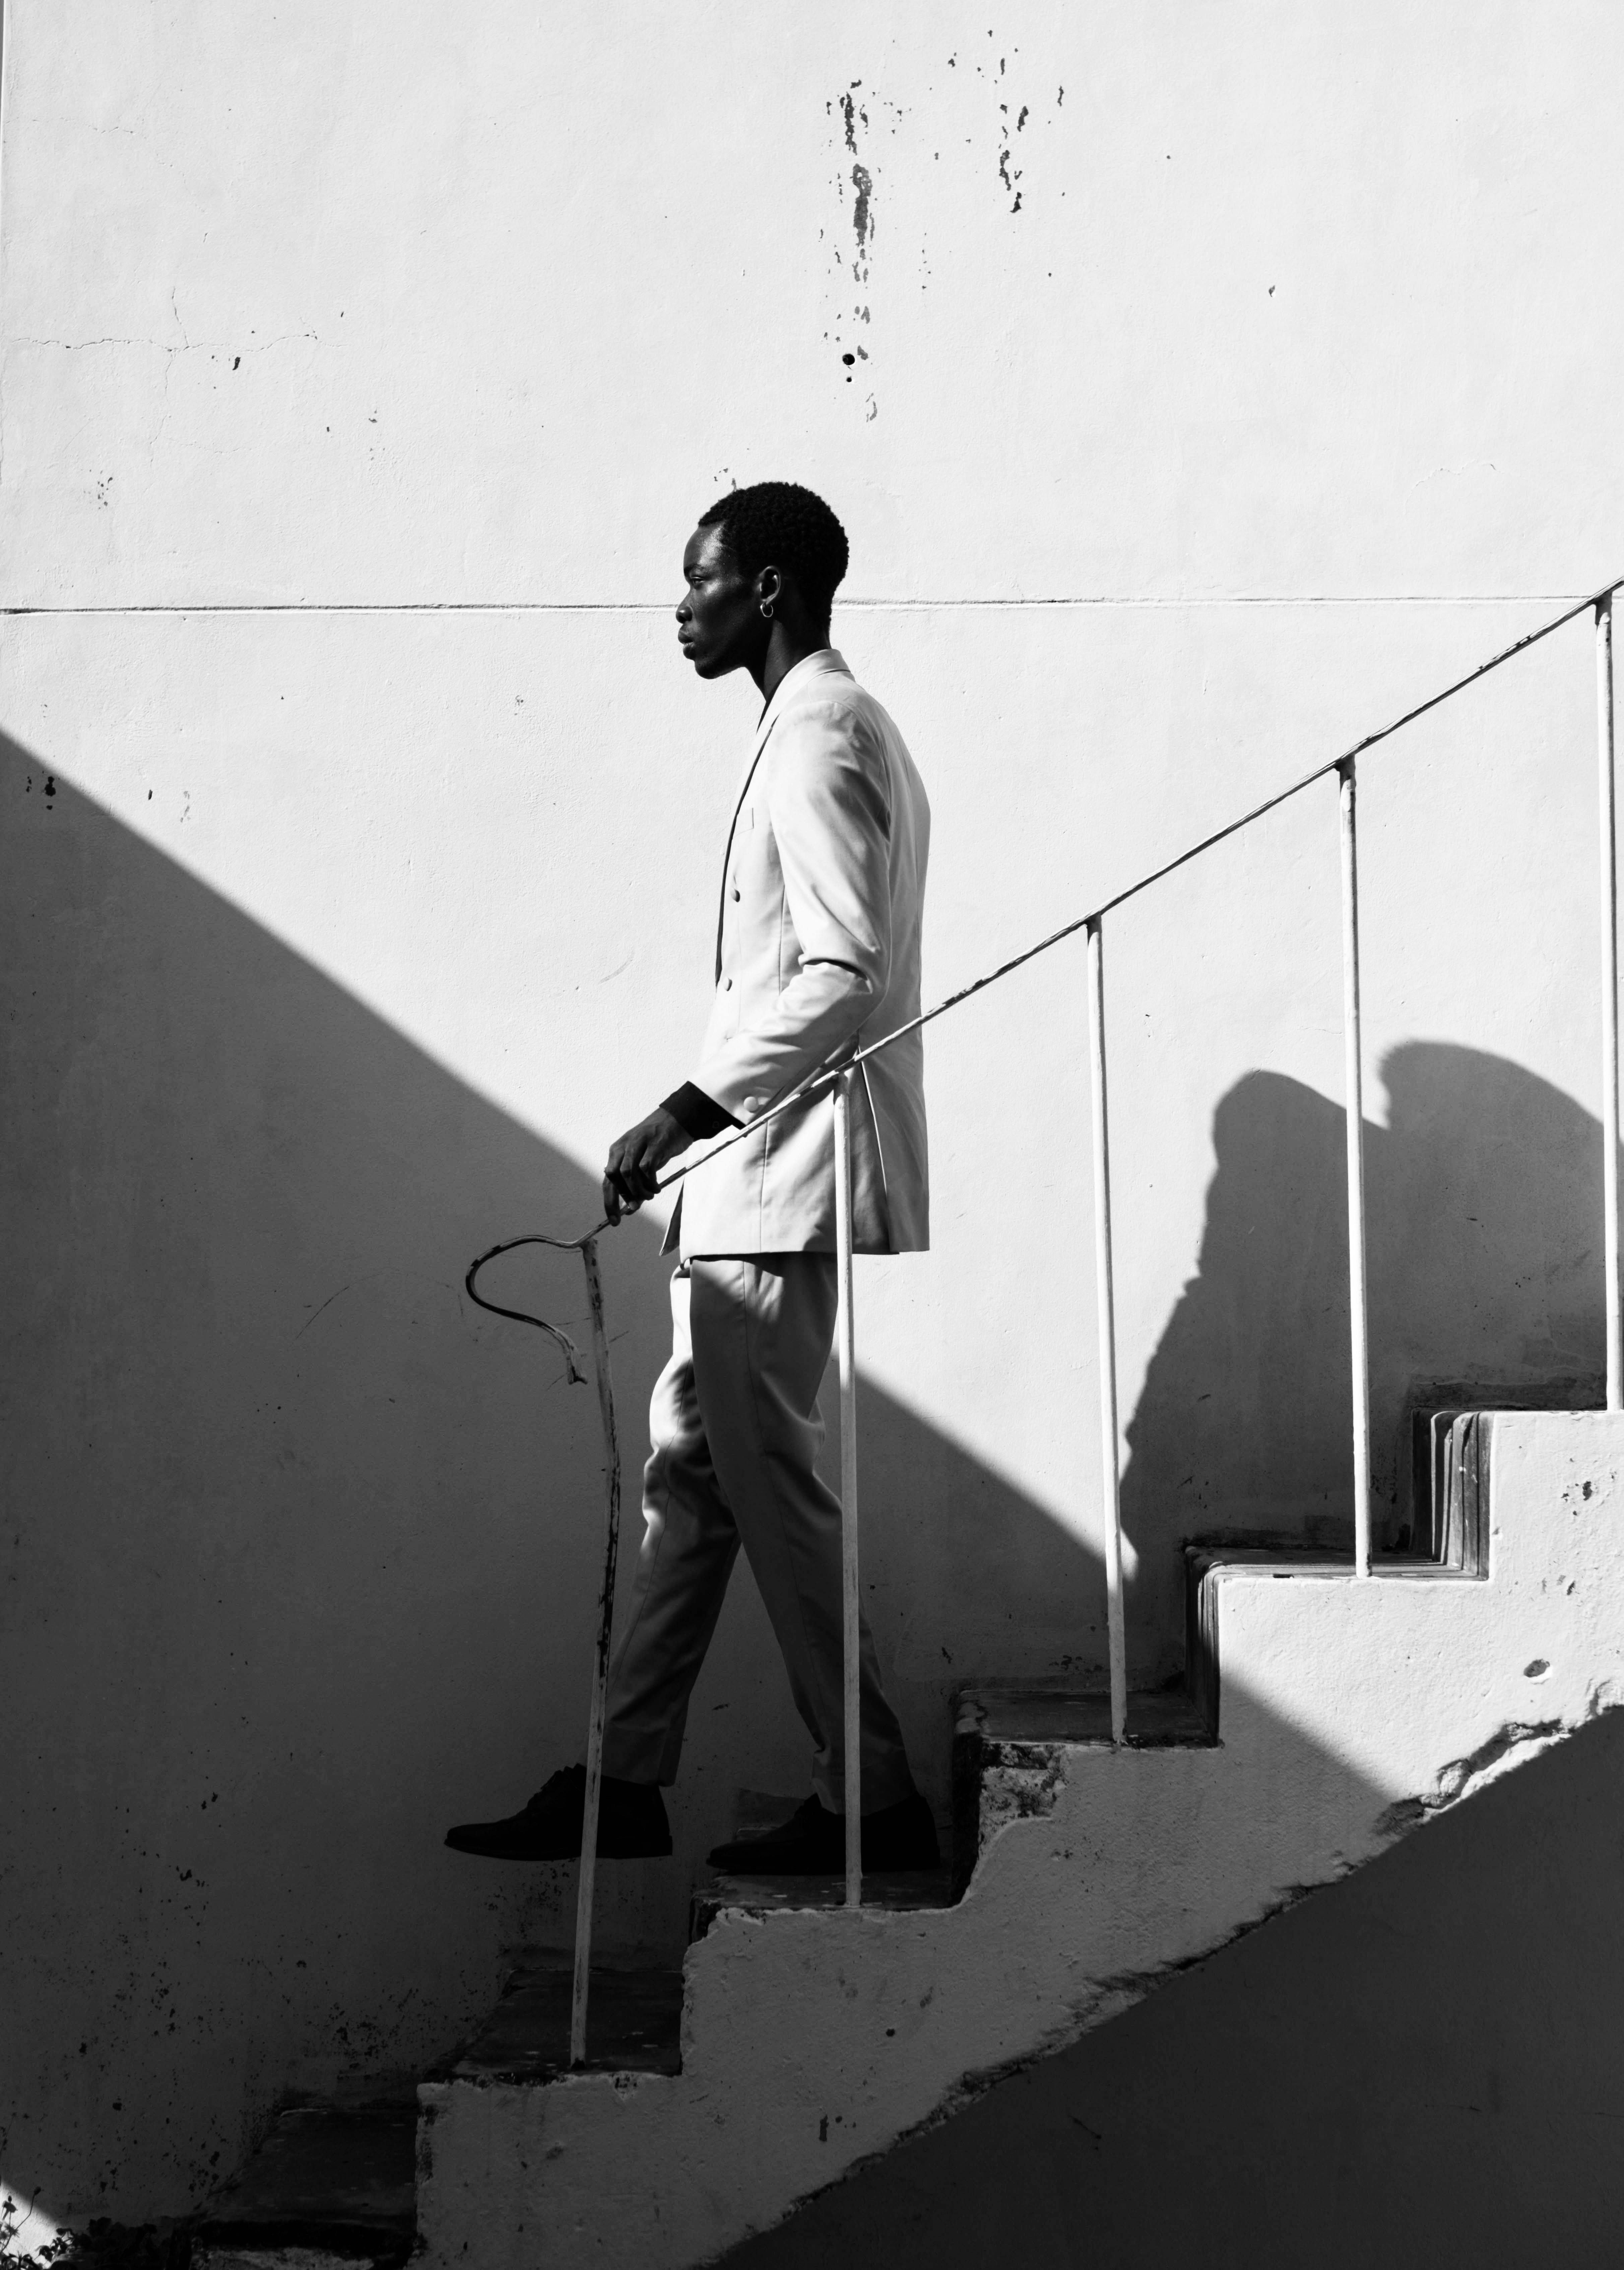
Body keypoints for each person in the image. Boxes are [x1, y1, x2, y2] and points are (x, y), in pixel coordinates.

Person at [446, 481, 937, 1874]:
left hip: (776, 1174)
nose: (680, 605)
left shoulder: (824, 731)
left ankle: (876, 1792)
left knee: (768, 1488)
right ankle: (623, 1775)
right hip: (752, 1178)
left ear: (769, 589)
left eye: (699, 579)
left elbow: (844, 976)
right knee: (700, 1479)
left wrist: (685, 1109)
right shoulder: (823, 726)